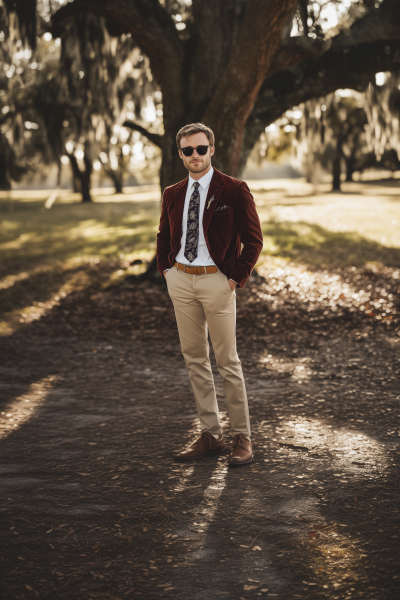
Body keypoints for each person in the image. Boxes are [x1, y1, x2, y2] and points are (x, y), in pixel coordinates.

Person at [156, 123, 263, 466]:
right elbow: (163, 237)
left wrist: (234, 279)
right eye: (188, 151)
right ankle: (211, 434)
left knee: (227, 361)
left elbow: (254, 240)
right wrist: (167, 272)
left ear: (212, 149)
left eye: (201, 149)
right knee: (194, 359)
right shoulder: (172, 193)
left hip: (218, 282)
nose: (195, 156)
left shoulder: (233, 189)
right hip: (181, 281)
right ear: (180, 154)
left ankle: (242, 437)